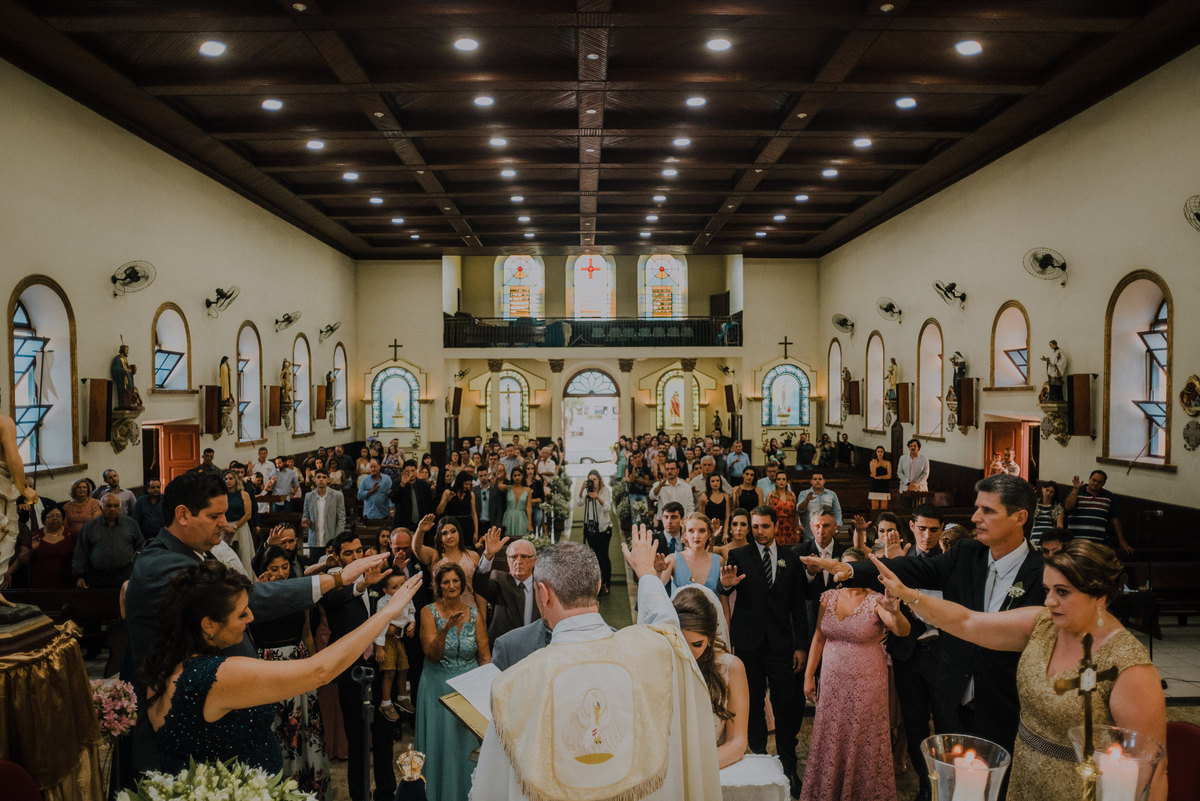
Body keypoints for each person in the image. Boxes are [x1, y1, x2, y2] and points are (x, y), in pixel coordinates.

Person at [125, 471, 391, 776]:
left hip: (220, 719)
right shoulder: (164, 563)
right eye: (215, 515)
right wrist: (337, 579)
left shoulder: (189, 553)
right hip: (194, 738)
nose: (225, 523)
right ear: (183, 515)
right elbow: (250, 599)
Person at [872, 541, 1166, 801]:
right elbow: (967, 623)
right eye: (1048, 589)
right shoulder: (1044, 624)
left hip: (1077, 787)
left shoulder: (1129, 667)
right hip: (1023, 773)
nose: (1049, 601)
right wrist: (909, 595)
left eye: (1062, 592)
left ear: (1100, 596)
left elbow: (1151, 771)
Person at [805, 474, 1046, 759]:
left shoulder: (1042, 575)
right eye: (977, 508)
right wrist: (852, 571)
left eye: (988, 510)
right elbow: (912, 569)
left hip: (1005, 706)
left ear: (1020, 517)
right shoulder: (967, 553)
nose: (976, 517)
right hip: (953, 698)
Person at [470, 533, 721, 801]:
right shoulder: (648, 652)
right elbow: (666, 627)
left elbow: (490, 790)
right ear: (600, 585)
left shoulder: (513, 684)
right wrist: (646, 573)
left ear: (543, 593)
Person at [140, 560, 420, 780]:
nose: (250, 618)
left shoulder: (164, 665)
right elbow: (319, 671)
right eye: (241, 614)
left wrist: (340, 578)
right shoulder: (215, 676)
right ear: (208, 624)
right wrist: (386, 614)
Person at [801, 547, 909, 801]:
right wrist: (809, 676)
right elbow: (818, 638)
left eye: (852, 569)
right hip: (831, 680)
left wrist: (894, 612)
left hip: (866, 683)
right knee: (831, 734)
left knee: (861, 738)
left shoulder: (875, 601)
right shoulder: (827, 597)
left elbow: (901, 630)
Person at [718, 506, 809, 798]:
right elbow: (725, 588)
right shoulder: (740, 556)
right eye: (755, 527)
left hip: (782, 644)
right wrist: (725, 585)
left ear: (775, 526)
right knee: (752, 704)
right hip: (749, 643)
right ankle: (757, 759)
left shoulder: (790, 558)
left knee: (785, 704)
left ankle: (788, 764)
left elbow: (798, 606)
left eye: (764, 526)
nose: (759, 532)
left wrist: (800, 645)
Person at [249, 545, 331, 799]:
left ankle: (309, 788)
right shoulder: (254, 598)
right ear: (264, 571)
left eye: (285, 567)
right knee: (277, 729)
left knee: (305, 728)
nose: (281, 573)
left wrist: (315, 667)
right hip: (267, 663)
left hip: (298, 660)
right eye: (274, 569)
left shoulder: (297, 595)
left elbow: (307, 632)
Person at [419, 563, 490, 801]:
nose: (451, 586)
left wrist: (487, 690)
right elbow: (432, 654)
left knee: (466, 746)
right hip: (437, 688)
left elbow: (484, 654)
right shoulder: (428, 613)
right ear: (438, 586)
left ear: (463, 583)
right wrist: (445, 629)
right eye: (446, 581)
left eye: (455, 581)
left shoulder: (475, 613)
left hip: (469, 688)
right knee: (442, 747)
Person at [672, 585, 749, 769]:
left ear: (711, 636)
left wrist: (694, 770)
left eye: (697, 644)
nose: (689, 654)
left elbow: (737, 743)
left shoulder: (731, 668)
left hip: (714, 768)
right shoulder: (664, 664)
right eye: (681, 644)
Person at [412, 514, 486, 621]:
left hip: (469, 611)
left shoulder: (473, 556)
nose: (449, 536)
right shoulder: (435, 556)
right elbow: (416, 549)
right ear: (439, 537)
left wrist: (483, 620)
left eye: (453, 531)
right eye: (444, 533)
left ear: (459, 533)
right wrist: (420, 530)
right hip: (443, 613)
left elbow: (480, 590)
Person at [474, 528, 540, 642]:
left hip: (536, 648)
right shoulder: (500, 580)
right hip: (505, 648)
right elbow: (480, 586)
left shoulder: (542, 586)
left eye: (524, 556)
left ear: (534, 560)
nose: (518, 561)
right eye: (514, 557)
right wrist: (488, 555)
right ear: (508, 561)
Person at [796, 508, 847, 640]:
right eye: (817, 526)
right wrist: (810, 573)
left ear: (835, 526)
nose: (821, 531)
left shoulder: (845, 554)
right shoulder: (799, 552)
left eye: (826, 526)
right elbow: (796, 594)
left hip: (840, 624)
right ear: (811, 528)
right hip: (809, 624)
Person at [73, 493, 143, 588]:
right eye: (109, 506)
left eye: (116, 506)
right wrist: (79, 576)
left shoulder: (131, 524)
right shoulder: (90, 526)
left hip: (125, 575)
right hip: (97, 577)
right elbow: (81, 552)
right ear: (101, 507)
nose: (113, 509)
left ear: (120, 507)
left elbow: (141, 546)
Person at [374, 572, 417, 722]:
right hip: (385, 640)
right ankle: (385, 703)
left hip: (398, 639)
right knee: (389, 671)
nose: (400, 590)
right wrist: (379, 647)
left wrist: (412, 623)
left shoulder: (407, 598)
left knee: (404, 667)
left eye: (402, 585)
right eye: (394, 587)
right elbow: (380, 625)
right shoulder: (383, 602)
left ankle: (402, 697)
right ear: (385, 591)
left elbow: (411, 612)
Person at [660, 512, 725, 599]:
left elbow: (724, 598)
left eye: (702, 531)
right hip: (678, 612)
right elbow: (656, 588)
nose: (696, 535)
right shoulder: (672, 560)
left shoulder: (719, 561)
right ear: (685, 535)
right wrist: (657, 572)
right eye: (691, 531)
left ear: (709, 534)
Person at [1065, 470, 1132, 553]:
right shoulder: (1077, 491)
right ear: (1089, 479)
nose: (1096, 483)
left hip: (1097, 543)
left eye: (1099, 482)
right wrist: (1075, 489)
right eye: (1094, 480)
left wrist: (1122, 540)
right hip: (1075, 541)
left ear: (1103, 484)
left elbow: (1115, 519)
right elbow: (1068, 507)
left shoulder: (1109, 496)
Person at [577, 469, 613, 594]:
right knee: (593, 557)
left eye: (595, 480)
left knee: (603, 557)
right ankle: (596, 583)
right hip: (590, 529)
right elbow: (579, 503)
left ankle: (606, 583)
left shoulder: (605, 491)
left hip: (603, 529)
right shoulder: (587, 492)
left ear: (599, 480)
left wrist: (597, 497)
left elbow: (607, 508)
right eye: (590, 480)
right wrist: (582, 490)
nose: (593, 482)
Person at [27, 504, 75, 588]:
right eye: (51, 516)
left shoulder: (72, 534)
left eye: (58, 516)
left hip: (66, 581)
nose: (55, 518)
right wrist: (32, 550)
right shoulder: (36, 535)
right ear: (44, 520)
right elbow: (22, 558)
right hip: (40, 582)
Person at [302, 468, 347, 554]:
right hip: (314, 540)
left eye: (324, 477)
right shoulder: (308, 496)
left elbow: (341, 519)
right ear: (314, 479)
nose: (321, 479)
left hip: (331, 540)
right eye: (318, 477)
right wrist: (305, 521)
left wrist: (337, 539)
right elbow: (305, 515)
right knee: (315, 566)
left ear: (328, 480)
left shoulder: (338, 495)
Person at [222, 470, 256, 576]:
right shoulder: (222, 495)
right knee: (224, 554)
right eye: (226, 479)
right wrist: (226, 527)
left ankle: (247, 579)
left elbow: (248, 514)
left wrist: (235, 527)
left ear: (236, 480)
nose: (228, 481)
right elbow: (219, 512)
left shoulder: (243, 494)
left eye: (230, 478)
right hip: (225, 527)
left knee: (244, 554)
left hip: (240, 527)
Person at [389, 459, 434, 533]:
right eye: (408, 471)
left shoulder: (424, 485)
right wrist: (402, 485)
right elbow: (393, 499)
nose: (411, 474)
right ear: (403, 472)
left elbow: (429, 505)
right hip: (403, 525)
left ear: (416, 470)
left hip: (421, 525)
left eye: (413, 471)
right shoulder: (398, 483)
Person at [795, 471, 841, 542]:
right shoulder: (804, 494)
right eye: (815, 479)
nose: (817, 481)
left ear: (824, 481)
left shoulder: (832, 494)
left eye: (820, 479)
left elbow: (837, 511)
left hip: (828, 532)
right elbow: (799, 509)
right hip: (810, 533)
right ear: (811, 481)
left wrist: (837, 528)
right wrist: (806, 500)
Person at [437, 471, 479, 545]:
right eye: (466, 484)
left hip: (467, 525)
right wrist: (446, 500)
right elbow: (439, 511)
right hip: (452, 525)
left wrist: (476, 532)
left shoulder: (471, 494)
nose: (468, 486)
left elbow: (474, 513)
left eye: (470, 484)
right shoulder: (448, 492)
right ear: (460, 482)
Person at [497, 464, 533, 542]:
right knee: (507, 542)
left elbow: (528, 507)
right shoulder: (508, 487)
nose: (517, 477)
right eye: (515, 475)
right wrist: (498, 475)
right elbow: (497, 486)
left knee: (522, 541)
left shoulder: (528, 490)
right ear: (512, 477)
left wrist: (529, 523)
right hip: (508, 517)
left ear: (522, 476)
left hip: (522, 517)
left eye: (519, 475)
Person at [766, 470, 799, 547]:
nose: (781, 481)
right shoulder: (771, 496)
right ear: (775, 482)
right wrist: (769, 504)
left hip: (791, 528)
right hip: (777, 529)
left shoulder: (792, 495)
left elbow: (796, 514)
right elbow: (767, 515)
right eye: (779, 479)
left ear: (787, 482)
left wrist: (797, 530)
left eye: (784, 479)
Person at [1031, 480, 1066, 547]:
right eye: (1047, 490)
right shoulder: (1034, 504)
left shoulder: (1057, 507)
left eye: (1051, 492)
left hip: (1049, 540)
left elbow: (1060, 526)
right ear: (1042, 489)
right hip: (1034, 540)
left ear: (1054, 494)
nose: (1048, 493)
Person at [357, 459, 393, 523]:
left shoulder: (387, 479)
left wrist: (392, 510)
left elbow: (391, 495)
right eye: (371, 467)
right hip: (369, 515)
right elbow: (359, 496)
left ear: (379, 466)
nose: (373, 469)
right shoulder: (365, 480)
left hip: (383, 514)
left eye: (374, 467)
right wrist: (371, 490)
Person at [698, 472, 730, 537]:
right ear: (709, 483)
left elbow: (727, 516)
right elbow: (701, 516)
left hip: (722, 527)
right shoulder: (704, 496)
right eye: (713, 481)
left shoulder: (726, 496)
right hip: (709, 526)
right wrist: (702, 505)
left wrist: (725, 532)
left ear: (720, 482)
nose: (715, 483)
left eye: (717, 481)